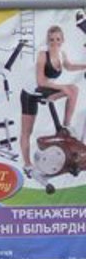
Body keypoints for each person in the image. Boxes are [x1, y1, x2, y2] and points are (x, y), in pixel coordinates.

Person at [20, 24, 86, 168]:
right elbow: (41, 81)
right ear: (47, 41)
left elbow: (69, 66)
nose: (55, 42)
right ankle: (27, 164)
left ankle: (66, 126)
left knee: (74, 89)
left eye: (57, 39)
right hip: (31, 92)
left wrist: (84, 66)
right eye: (51, 40)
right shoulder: (43, 55)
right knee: (27, 131)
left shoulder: (62, 54)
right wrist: (62, 87)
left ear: (62, 40)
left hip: (45, 89)